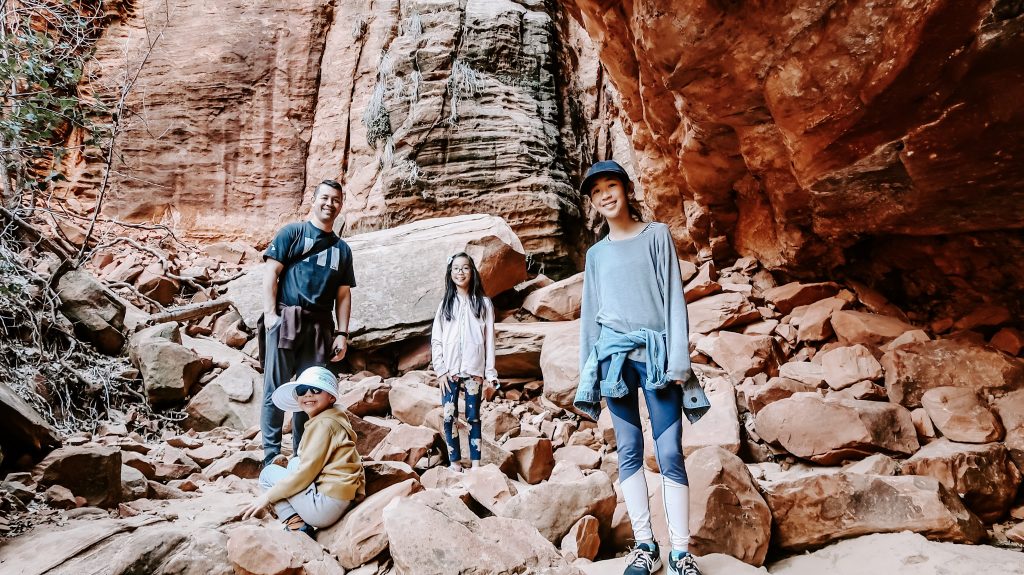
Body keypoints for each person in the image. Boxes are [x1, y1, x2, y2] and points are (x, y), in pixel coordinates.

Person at [573, 161, 702, 575]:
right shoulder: (595, 255)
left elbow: (673, 301)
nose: (605, 195)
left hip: (656, 357)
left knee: (668, 452)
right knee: (628, 450)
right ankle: (645, 547)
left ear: (627, 190)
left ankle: (680, 551)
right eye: (597, 192)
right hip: (613, 363)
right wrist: (586, 375)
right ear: (593, 203)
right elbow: (590, 316)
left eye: (612, 186)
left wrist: (679, 358)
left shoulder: (657, 236)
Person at [260, 179, 356, 467]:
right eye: (324, 198)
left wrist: (342, 333)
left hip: (319, 327)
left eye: (336, 200)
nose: (330, 204)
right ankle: (270, 456)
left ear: (340, 206)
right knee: (274, 388)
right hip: (287, 317)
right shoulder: (294, 233)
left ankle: (301, 456)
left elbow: (343, 294)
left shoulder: (343, 250)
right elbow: (270, 273)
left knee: (310, 391)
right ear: (313, 200)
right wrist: (270, 315)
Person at [242, 366, 365, 535]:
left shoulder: (323, 425)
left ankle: (296, 524)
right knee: (294, 462)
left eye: (316, 390)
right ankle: (302, 513)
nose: (308, 394)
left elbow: (305, 473)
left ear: (330, 397)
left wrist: (268, 497)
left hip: (325, 507)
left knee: (268, 474)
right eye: (301, 390)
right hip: (340, 497)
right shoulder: (334, 417)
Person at [430, 252, 499, 471]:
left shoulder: (484, 304)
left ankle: (476, 464)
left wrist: (490, 374)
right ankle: (455, 462)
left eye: (465, 268)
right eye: (456, 268)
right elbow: (436, 340)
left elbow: (489, 342)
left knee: (473, 417)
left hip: (474, 370)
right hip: (449, 372)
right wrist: (440, 371)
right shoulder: (445, 305)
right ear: (450, 274)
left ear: (473, 272)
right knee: (449, 415)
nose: (461, 272)